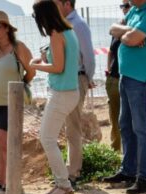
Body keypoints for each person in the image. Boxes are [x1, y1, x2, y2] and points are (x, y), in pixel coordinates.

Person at [105, 0, 146, 194]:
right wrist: (130, 31)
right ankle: (129, 170)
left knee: (141, 128)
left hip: (142, 78)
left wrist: (128, 35)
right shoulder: (135, 9)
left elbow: (130, 39)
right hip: (127, 75)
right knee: (125, 124)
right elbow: (112, 28)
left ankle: (145, 178)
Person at [30, 0, 81, 194]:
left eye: (35, 17)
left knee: (47, 139)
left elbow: (58, 67)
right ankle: (62, 183)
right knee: (50, 138)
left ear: (43, 16)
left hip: (61, 94)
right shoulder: (69, 31)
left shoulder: (56, 34)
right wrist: (45, 60)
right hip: (69, 92)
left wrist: (35, 66)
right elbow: (67, 63)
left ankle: (63, 185)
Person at [0, 12, 34, 191]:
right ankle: (0, 179)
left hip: (9, 103)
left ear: (6, 28)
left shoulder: (18, 48)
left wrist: (22, 84)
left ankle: (12, 181)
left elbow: (31, 71)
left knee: (6, 143)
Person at [53, 0, 96, 180]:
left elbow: (89, 55)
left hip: (77, 77)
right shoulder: (65, 24)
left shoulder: (78, 25)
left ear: (67, 4)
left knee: (73, 125)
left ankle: (74, 171)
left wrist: (87, 78)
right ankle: (70, 169)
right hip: (68, 78)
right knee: (68, 125)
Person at [106, 2, 130, 152]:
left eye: (127, 5)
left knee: (129, 119)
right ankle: (116, 151)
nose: (125, 8)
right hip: (114, 78)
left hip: (130, 79)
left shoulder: (137, 29)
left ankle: (130, 153)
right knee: (114, 118)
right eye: (123, 6)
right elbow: (110, 51)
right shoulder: (118, 28)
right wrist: (108, 69)